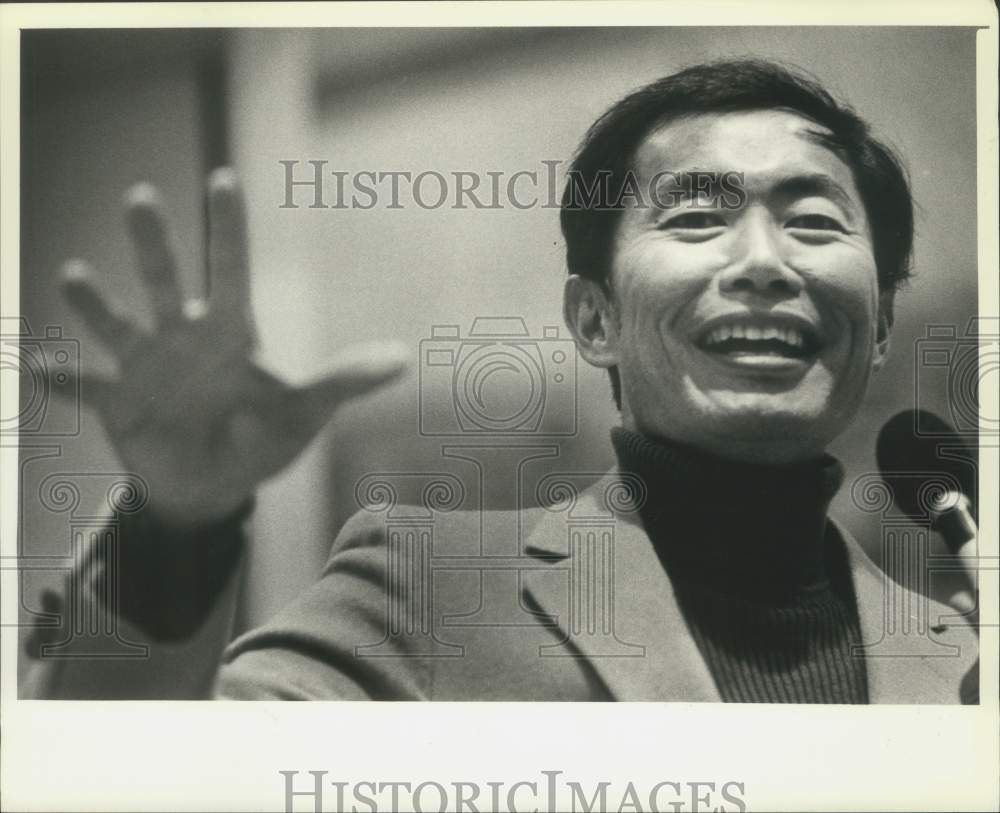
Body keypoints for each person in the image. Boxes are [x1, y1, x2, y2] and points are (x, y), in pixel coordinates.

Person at [22, 58, 977, 701]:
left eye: (813, 221)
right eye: (695, 219)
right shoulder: (425, 587)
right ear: (593, 320)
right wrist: (174, 534)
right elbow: (139, 783)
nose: (767, 261)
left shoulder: (965, 656)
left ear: (882, 320)